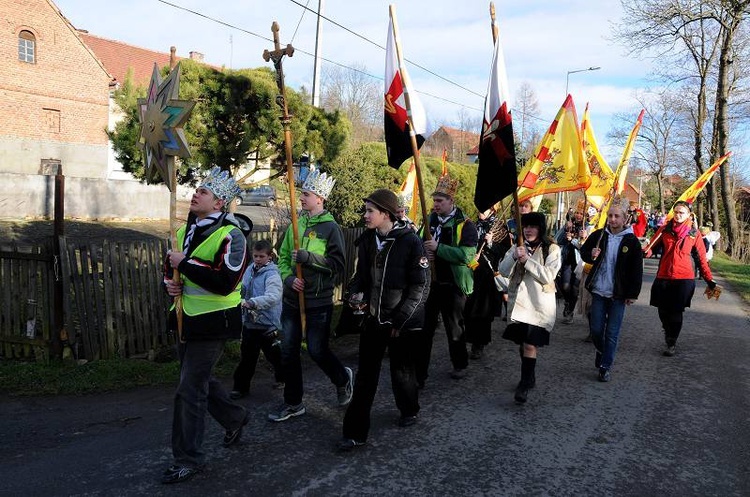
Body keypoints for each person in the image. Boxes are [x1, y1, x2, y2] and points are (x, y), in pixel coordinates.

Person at [161, 167, 250, 484]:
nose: (195, 193)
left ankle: (189, 459)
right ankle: (235, 417)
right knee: (198, 380)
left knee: (189, 389)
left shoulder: (233, 235)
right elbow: (173, 269)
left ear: (219, 202)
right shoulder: (187, 229)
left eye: (204, 191)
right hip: (186, 317)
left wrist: (182, 264)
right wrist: (170, 283)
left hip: (214, 322)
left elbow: (226, 281)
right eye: (196, 189)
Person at [338, 189, 430, 451]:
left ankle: (409, 408)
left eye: (370, 211)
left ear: (386, 214)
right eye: (365, 210)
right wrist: (354, 293)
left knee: (401, 371)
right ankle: (355, 433)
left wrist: (400, 321)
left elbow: (420, 287)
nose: (365, 215)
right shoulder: (368, 240)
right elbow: (361, 275)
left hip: (401, 322)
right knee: (366, 376)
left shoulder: (411, 242)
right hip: (373, 319)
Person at [268, 168, 353, 422]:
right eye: (302, 193)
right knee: (288, 351)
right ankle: (293, 403)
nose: (302, 198)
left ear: (320, 198)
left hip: (318, 300)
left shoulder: (330, 228)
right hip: (292, 300)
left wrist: (310, 259)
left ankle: (342, 378)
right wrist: (288, 278)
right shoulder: (297, 223)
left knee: (317, 350)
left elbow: (338, 265)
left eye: (306, 194)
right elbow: (282, 258)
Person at [416, 174, 478, 384]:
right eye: (434, 200)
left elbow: (467, 256)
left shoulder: (465, 225)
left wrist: (439, 248)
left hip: (453, 285)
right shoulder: (428, 221)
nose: (436, 204)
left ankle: (459, 363)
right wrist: (424, 252)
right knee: (425, 329)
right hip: (430, 284)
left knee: (454, 328)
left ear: (452, 202)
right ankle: (420, 372)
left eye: (440, 201)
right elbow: (417, 244)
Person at [497, 212, 561, 404]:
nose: (528, 230)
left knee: (529, 344)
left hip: (539, 305)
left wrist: (527, 261)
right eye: (525, 226)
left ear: (540, 228)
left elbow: (548, 275)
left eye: (533, 226)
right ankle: (529, 375)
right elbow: (503, 270)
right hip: (519, 304)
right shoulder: (518, 246)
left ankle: (524, 384)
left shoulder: (552, 249)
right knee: (523, 343)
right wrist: (515, 257)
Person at [580, 199, 643, 382]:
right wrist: (590, 255)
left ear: (624, 219)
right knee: (597, 329)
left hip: (619, 294)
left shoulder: (631, 241)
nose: (612, 219)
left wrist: (632, 294)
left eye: (617, 216)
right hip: (600, 290)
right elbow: (584, 253)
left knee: (612, 332)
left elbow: (636, 270)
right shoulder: (600, 235)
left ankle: (605, 366)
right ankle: (601, 349)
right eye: (610, 216)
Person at [647, 201, 717, 357]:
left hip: (684, 278)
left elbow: (701, 259)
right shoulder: (664, 230)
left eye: (682, 213)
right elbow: (652, 248)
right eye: (676, 212)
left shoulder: (694, 233)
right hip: (664, 276)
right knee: (662, 311)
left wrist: (709, 279)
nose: (678, 215)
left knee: (676, 312)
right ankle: (668, 329)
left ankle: (671, 342)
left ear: (688, 215)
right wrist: (645, 252)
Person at [230, 239, 284, 399]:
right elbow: (243, 287)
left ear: (270, 257)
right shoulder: (248, 270)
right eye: (255, 256)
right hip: (250, 323)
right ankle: (240, 388)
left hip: (267, 324)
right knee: (247, 358)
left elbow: (273, 297)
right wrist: (237, 297)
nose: (258, 259)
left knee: (274, 356)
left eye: (261, 256)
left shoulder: (273, 275)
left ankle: (283, 378)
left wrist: (252, 302)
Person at [464, 207, 507, 359]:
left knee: (483, 310)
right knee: (468, 308)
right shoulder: (471, 224)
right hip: (471, 270)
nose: (481, 211)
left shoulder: (500, 227)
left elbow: (505, 251)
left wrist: (490, 244)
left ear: (492, 209)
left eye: (485, 208)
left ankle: (479, 344)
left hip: (487, 274)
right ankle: (467, 339)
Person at [554, 199, 586, 324]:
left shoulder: (587, 227)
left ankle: (570, 312)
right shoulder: (569, 224)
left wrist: (574, 239)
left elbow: (584, 247)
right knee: (565, 286)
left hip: (579, 262)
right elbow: (557, 240)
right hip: (566, 260)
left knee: (574, 288)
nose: (578, 215)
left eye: (581, 213)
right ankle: (568, 302)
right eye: (577, 213)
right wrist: (564, 230)